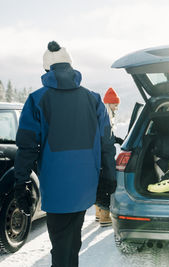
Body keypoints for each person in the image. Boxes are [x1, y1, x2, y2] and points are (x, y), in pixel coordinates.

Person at [13, 41, 116, 267]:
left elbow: (27, 146)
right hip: (85, 187)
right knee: (72, 243)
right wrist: (108, 178)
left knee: (60, 246)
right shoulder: (94, 99)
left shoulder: (37, 99)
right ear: (70, 66)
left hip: (56, 187)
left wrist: (21, 183)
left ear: (47, 70)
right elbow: (107, 143)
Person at [95, 87, 122, 227]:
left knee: (99, 180)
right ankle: (105, 216)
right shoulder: (106, 116)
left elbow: (106, 135)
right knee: (108, 181)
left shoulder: (104, 115)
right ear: (108, 103)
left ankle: (98, 213)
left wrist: (116, 139)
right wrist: (112, 143)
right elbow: (105, 139)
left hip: (99, 154)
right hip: (105, 155)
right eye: (115, 104)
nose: (117, 108)